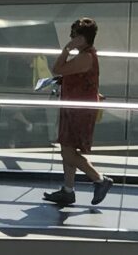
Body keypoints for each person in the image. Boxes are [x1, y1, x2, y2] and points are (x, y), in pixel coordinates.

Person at [44, 17, 112, 207]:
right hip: (73, 107)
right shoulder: (86, 55)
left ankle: (99, 179)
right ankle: (68, 190)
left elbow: (57, 68)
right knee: (68, 148)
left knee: (68, 152)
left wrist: (67, 49)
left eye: (74, 35)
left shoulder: (85, 57)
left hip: (78, 111)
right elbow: (75, 75)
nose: (71, 38)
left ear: (82, 38)